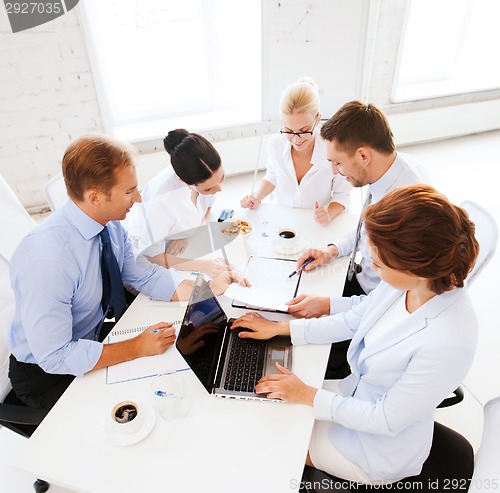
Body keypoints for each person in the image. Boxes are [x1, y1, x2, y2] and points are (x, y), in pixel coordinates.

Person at [232, 184, 479, 484]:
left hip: (374, 449)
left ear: (415, 268)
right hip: (353, 398)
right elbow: (356, 318)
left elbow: (384, 419)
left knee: (272, 444)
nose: (372, 267)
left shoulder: (449, 341)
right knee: (269, 406)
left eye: (378, 263)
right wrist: (281, 328)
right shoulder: (410, 282)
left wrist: (307, 394)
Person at [8, 134, 245, 410]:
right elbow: (55, 355)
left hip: (92, 337)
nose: (139, 197)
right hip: (46, 375)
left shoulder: (109, 226)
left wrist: (209, 289)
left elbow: (142, 274)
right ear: (94, 197)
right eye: (129, 191)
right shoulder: (48, 262)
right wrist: (135, 347)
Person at [288, 100, 430, 378]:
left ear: (363, 156)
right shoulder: (387, 171)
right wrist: (332, 250)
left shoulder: (403, 208)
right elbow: (364, 230)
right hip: (363, 282)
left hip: (376, 305)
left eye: (337, 163)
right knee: (296, 302)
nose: (334, 172)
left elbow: (385, 302)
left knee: (303, 359)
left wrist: (328, 305)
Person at [240, 78, 351, 225]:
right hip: (282, 220)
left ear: (317, 119)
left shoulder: (333, 150)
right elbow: (272, 176)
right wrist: (256, 197)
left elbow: (342, 195)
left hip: (315, 225)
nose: (296, 139)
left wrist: (328, 214)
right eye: (288, 130)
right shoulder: (276, 143)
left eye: (304, 131)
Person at [126, 129, 230, 279]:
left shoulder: (203, 174)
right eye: (208, 188)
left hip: (178, 241)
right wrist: (202, 266)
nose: (219, 189)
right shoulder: (163, 199)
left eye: (221, 178)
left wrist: (186, 235)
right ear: (183, 181)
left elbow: (207, 208)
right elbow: (151, 255)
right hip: (151, 253)